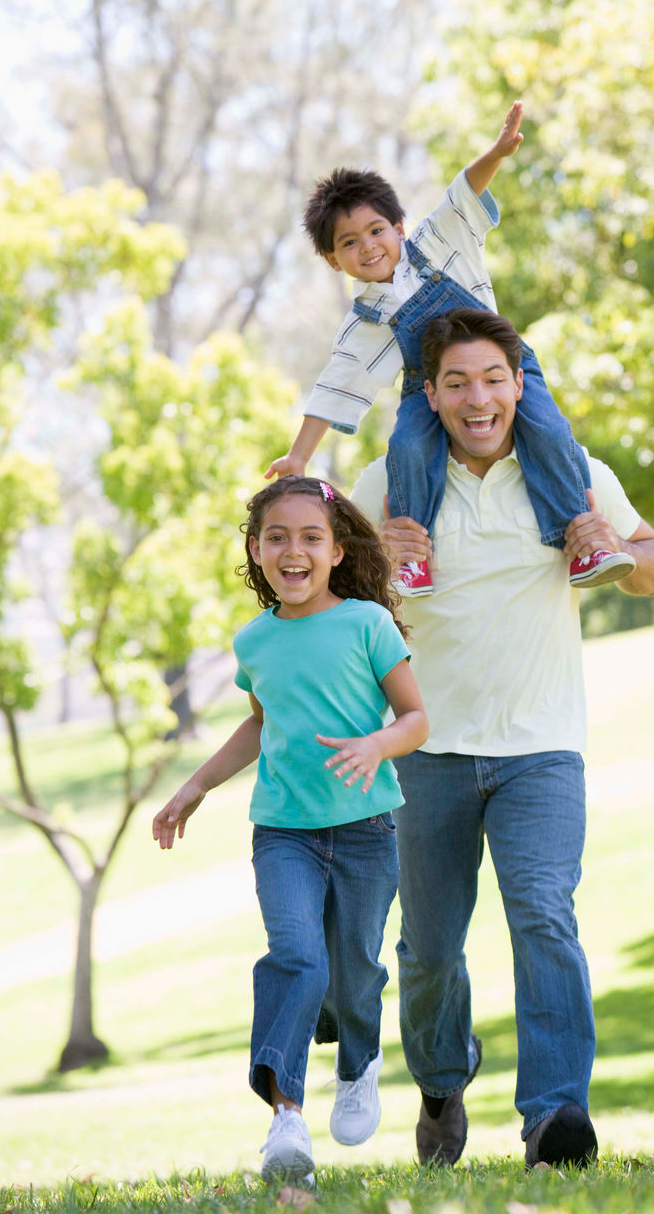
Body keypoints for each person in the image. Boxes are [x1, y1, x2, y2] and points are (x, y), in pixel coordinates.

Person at [352, 306, 654, 1170]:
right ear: (433, 395)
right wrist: (373, 560)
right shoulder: (389, 482)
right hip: (427, 755)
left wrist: (618, 549)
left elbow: (653, 560)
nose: (477, 397)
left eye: (493, 378)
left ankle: (554, 1116)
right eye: (456, 382)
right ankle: (443, 1081)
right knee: (427, 951)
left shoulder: (570, 474)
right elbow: (330, 606)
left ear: (518, 387)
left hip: (541, 748)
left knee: (543, 917)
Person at [151, 476, 429, 1187]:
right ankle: (286, 1115)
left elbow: (416, 719)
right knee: (298, 958)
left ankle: (358, 1063)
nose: (293, 550)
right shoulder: (255, 640)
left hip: (367, 828)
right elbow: (260, 721)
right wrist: (195, 785)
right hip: (284, 833)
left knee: (357, 969)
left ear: (337, 551)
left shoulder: (367, 625)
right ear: (256, 550)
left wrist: (378, 745)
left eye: (311, 538)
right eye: (277, 537)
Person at [266, 100, 633, 598]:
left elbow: (464, 192)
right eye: (349, 243)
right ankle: (414, 560)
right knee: (408, 446)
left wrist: (498, 152)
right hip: (426, 385)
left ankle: (581, 541)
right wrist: (297, 456)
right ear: (333, 261)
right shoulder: (364, 323)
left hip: (504, 365)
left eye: (376, 231)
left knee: (547, 430)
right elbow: (334, 387)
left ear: (399, 227)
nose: (368, 246)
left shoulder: (436, 243)